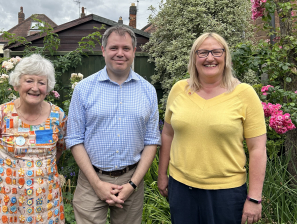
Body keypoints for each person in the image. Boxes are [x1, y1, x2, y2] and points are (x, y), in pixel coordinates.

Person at [158, 32, 267, 224]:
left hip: (227, 194)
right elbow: (168, 134)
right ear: (194, 58)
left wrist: (254, 198)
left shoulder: (244, 94)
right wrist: (162, 175)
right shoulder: (179, 90)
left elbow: (257, 148)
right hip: (181, 189)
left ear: (225, 56)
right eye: (203, 53)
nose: (210, 58)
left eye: (217, 52)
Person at [65, 25, 161, 224]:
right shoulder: (84, 89)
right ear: (103, 50)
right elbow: (74, 139)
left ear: (134, 51)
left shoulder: (148, 90)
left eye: (126, 48)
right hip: (91, 180)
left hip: (131, 180)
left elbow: (152, 140)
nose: (120, 53)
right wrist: (97, 184)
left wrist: (132, 185)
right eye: (113, 48)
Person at [0, 54, 67, 224]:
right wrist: (9, 177)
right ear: (17, 84)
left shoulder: (58, 116)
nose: (35, 87)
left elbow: (60, 148)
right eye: (29, 81)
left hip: (47, 202)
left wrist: (40, 173)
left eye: (41, 82)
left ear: (48, 88)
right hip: (8, 201)